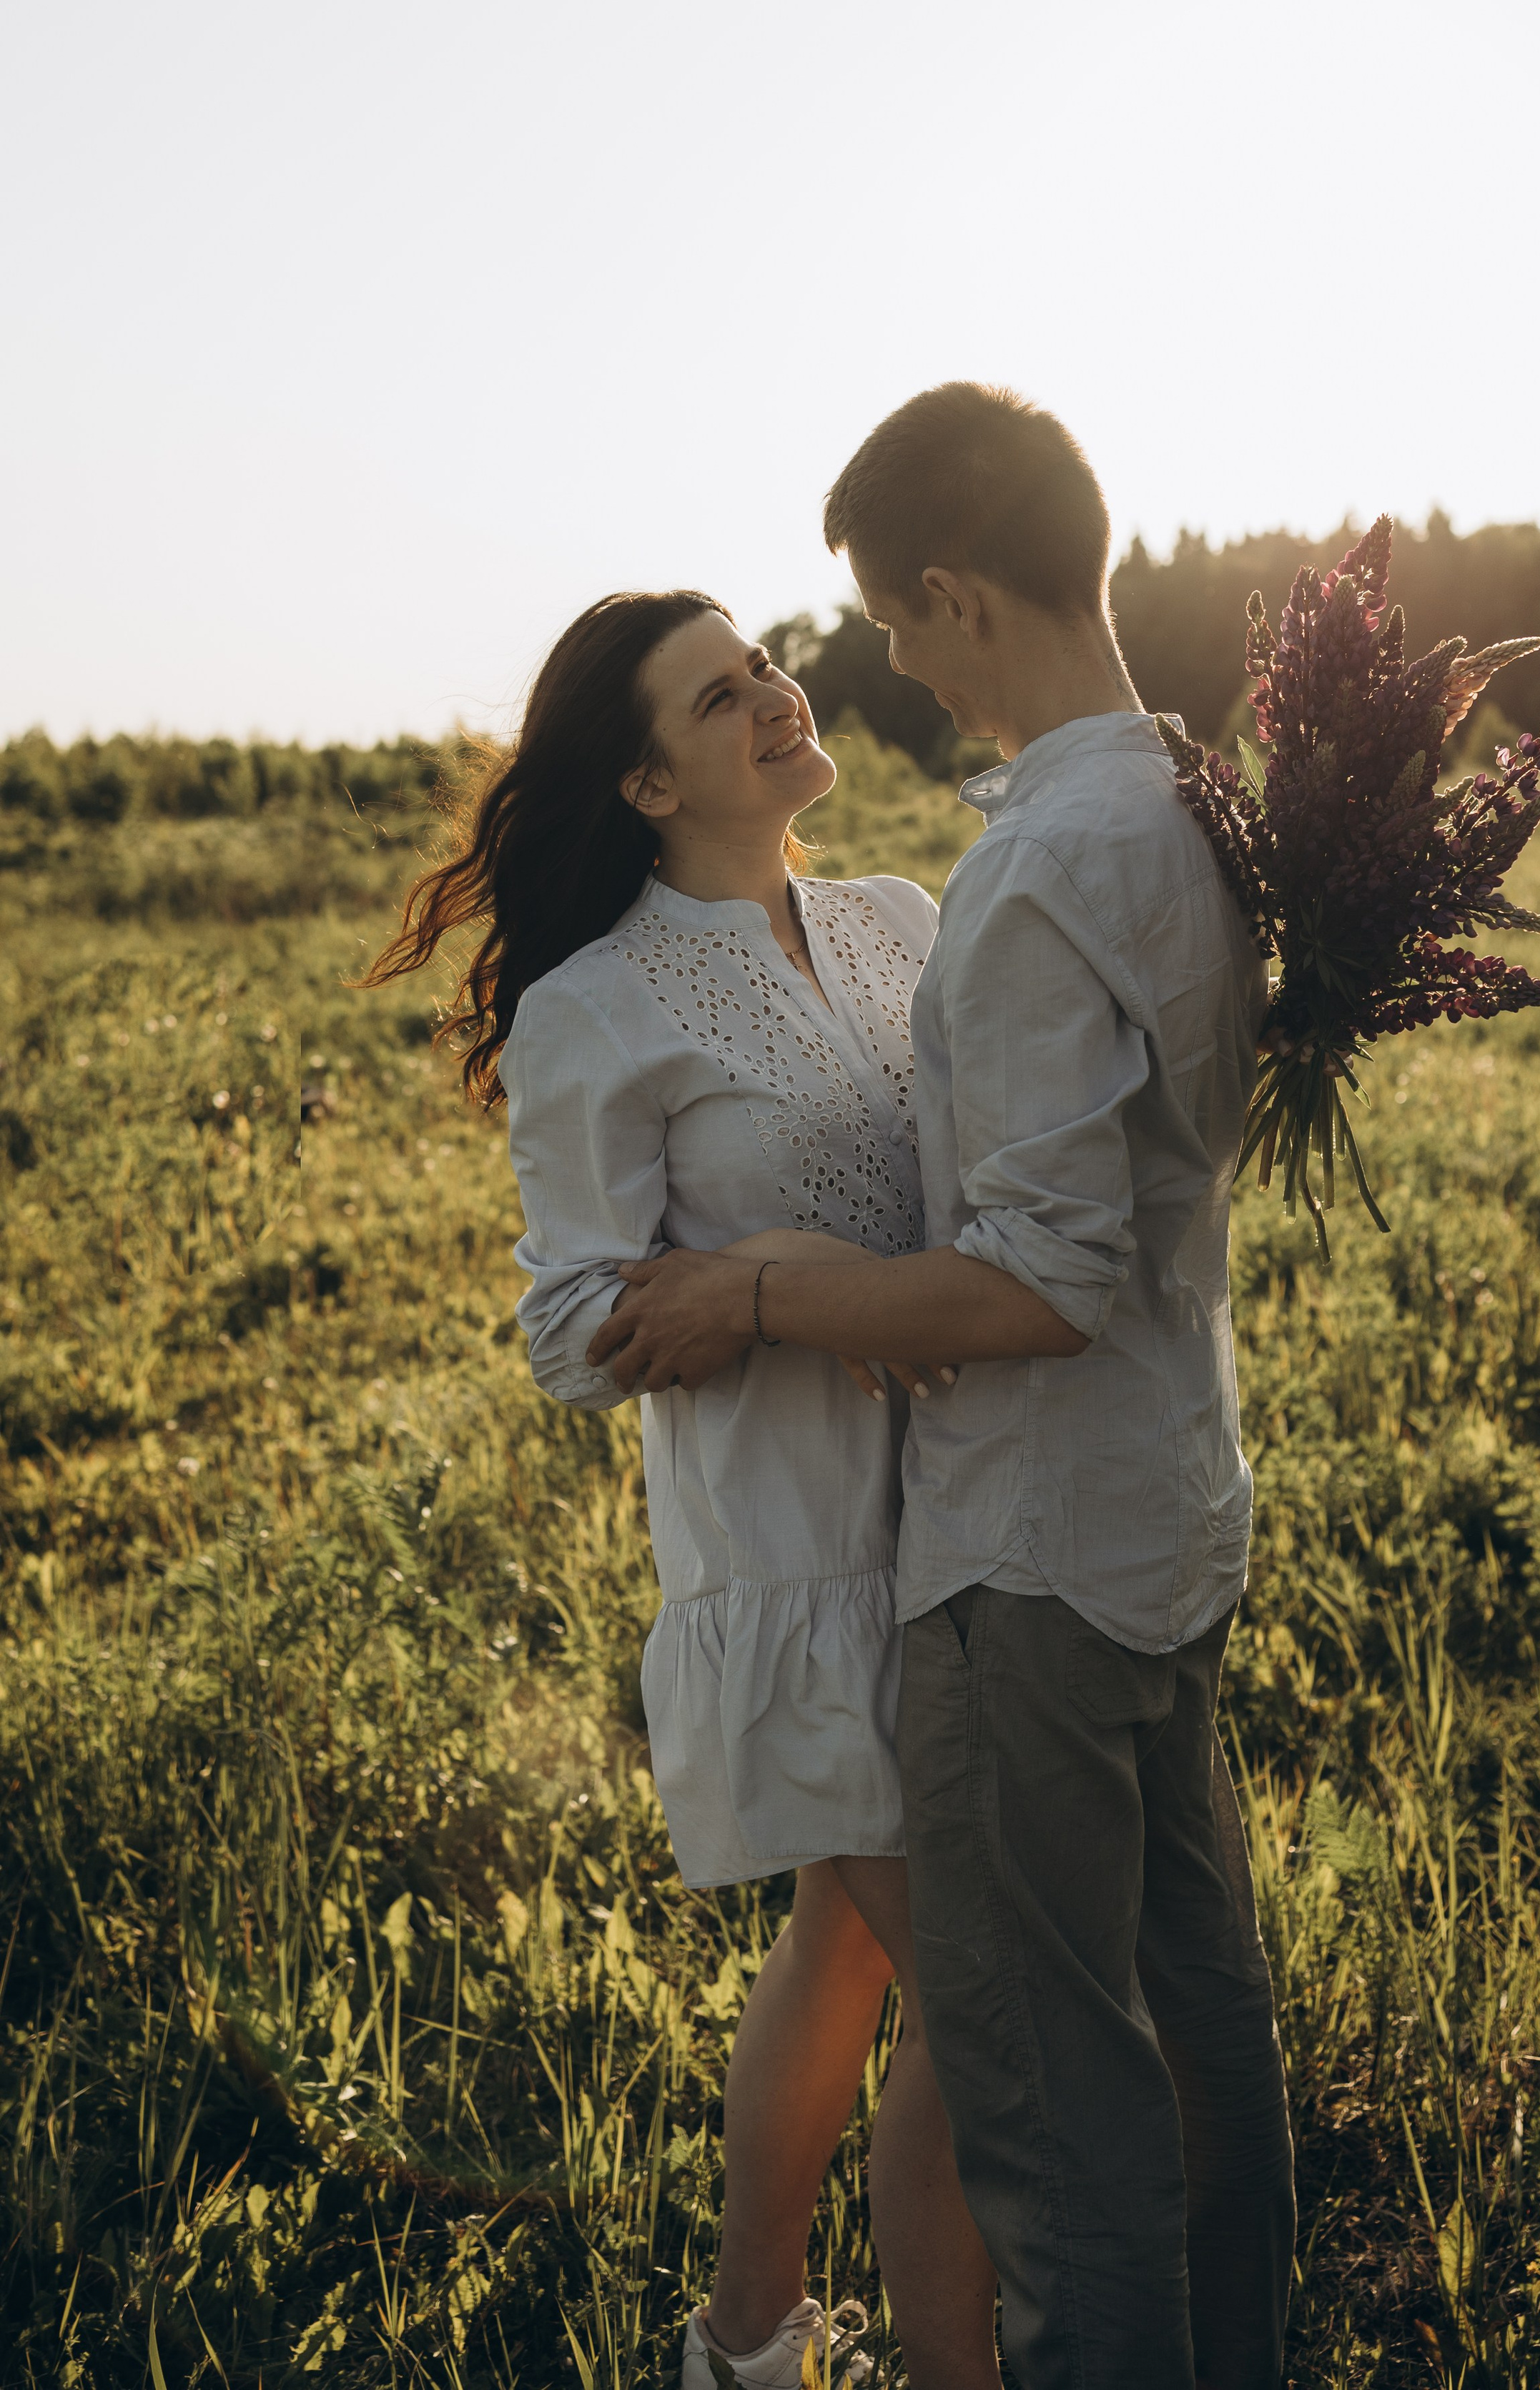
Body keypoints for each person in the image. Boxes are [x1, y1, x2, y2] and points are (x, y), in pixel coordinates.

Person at [596, 385, 1298, 2390]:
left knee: (1056, 2119)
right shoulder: (1194, 804)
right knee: (1202, 2043)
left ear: (961, 595)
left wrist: (759, 1288)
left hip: (1029, 1565)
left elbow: (1040, 1281)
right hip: (1170, 1504)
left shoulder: (1027, 877)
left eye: (891, 621)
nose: (881, 664)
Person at [363, 589, 1032, 2390]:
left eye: (764, 666)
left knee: (850, 1945)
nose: (774, 697)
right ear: (648, 782)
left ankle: (741, 2342)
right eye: (719, 694)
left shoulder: (902, 921)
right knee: (988, 2003)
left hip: (972, 1512)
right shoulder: (600, 1005)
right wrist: (793, 1274)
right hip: (797, 1556)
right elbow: (573, 1333)